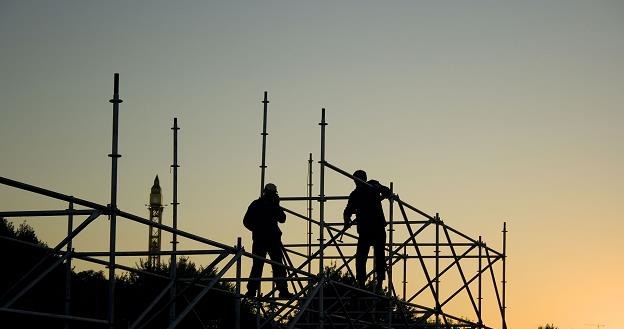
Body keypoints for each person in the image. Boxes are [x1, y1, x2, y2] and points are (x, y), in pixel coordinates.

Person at [343, 170, 392, 290]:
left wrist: (379, 188)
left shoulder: (372, 185)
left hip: (377, 228)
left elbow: (387, 191)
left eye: (358, 179)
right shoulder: (355, 194)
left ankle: (379, 283)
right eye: (355, 179)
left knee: (379, 256)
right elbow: (348, 210)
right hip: (365, 230)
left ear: (364, 179)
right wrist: (347, 219)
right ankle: (361, 283)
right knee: (361, 258)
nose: (356, 181)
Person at [243, 183, 293, 298]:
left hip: (262, 239)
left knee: (259, 264)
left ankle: (252, 291)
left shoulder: (256, 204)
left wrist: (256, 230)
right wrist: (277, 205)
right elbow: (283, 219)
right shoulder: (268, 205)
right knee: (276, 265)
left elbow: (246, 222)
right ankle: (282, 291)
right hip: (270, 239)